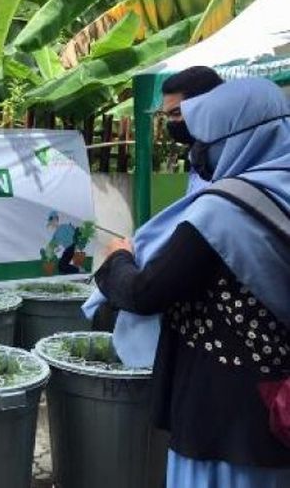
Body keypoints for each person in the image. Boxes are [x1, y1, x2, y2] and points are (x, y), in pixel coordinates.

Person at [95, 78, 290, 486]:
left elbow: (146, 292)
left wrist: (117, 260)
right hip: (278, 408)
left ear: (234, 138)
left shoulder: (223, 215)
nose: (198, 151)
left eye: (205, 137)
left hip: (224, 421)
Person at [160, 66, 224, 194]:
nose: (171, 122)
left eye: (177, 112)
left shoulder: (233, 160)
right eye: (168, 115)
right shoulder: (198, 158)